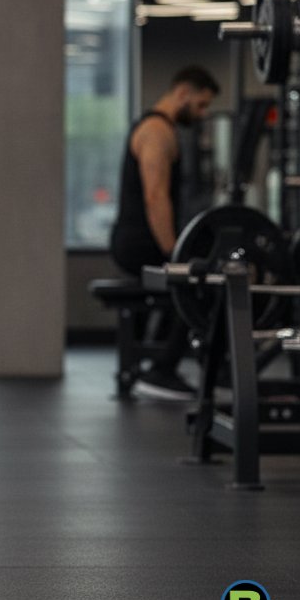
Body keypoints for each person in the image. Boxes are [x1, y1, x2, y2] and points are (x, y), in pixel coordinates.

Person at [110, 65, 219, 400]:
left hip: (135, 240)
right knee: (198, 282)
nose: (202, 114)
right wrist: (175, 253)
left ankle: (141, 368)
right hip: (139, 242)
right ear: (182, 93)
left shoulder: (159, 128)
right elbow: (155, 196)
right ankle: (162, 368)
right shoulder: (157, 132)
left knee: (190, 274)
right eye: (200, 105)